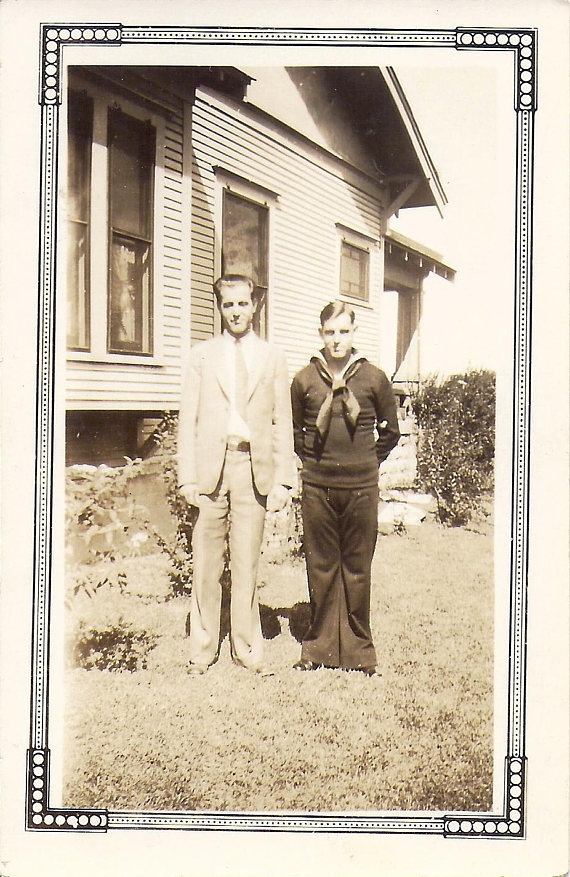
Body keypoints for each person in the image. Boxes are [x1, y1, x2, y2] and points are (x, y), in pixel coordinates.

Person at [178, 275, 295, 677]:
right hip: (212, 467)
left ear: (255, 305)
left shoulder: (272, 356)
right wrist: (187, 477)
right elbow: (188, 420)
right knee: (206, 564)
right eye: (228, 305)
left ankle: (247, 649)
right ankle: (202, 649)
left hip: (252, 469)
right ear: (219, 307)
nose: (236, 312)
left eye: (242, 304)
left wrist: (282, 480)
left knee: (247, 563)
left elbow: (283, 422)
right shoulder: (201, 356)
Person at [290, 300, 400, 676]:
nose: (336, 339)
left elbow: (391, 431)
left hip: (361, 488)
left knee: (357, 566)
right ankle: (317, 646)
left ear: (354, 333)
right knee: (320, 565)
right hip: (318, 487)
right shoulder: (305, 379)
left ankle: (359, 651)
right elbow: (295, 433)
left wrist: (366, 463)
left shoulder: (374, 378)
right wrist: (315, 465)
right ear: (320, 334)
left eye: (343, 331)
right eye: (329, 332)